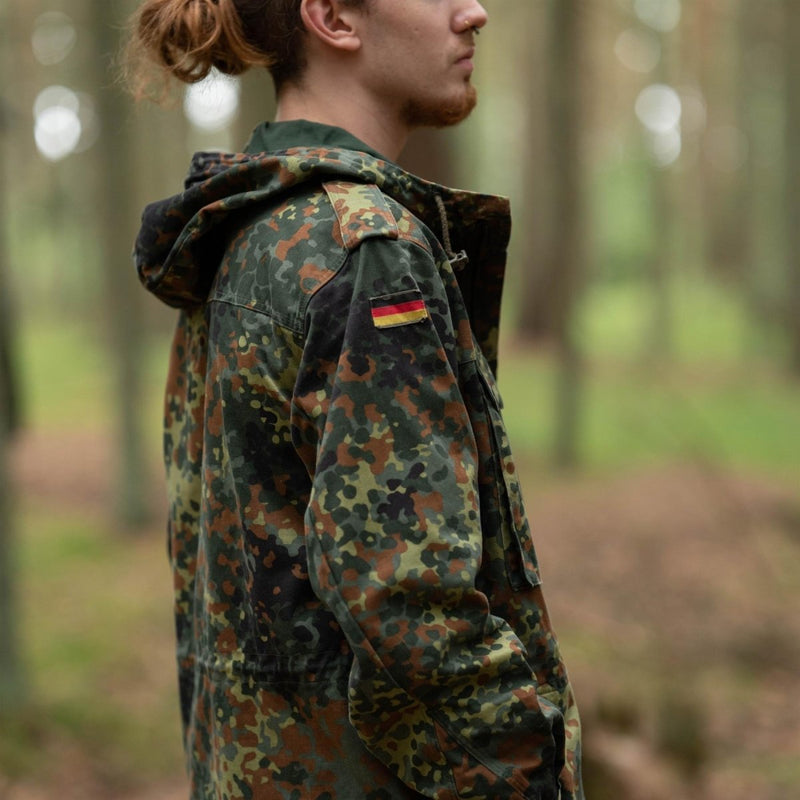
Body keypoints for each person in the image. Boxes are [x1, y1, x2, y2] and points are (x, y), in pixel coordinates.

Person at [129, 1, 584, 798]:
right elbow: (409, 608)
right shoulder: (366, 250)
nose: (474, 12)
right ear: (334, 16)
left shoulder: (248, 231)